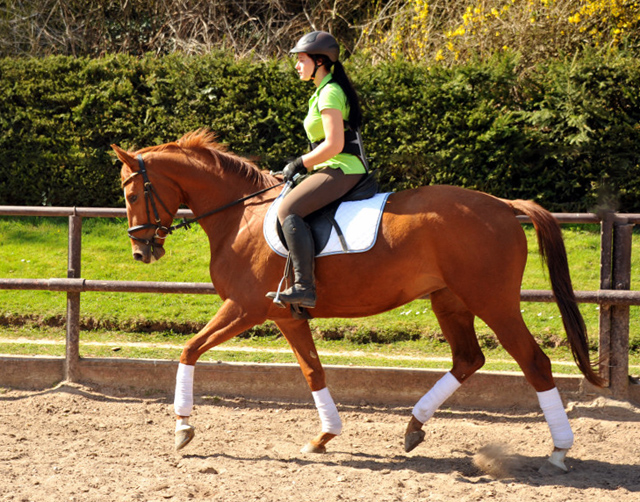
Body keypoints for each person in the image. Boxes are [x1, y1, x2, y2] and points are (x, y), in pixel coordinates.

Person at [266, 31, 367, 309]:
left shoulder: (330, 92)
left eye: (301, 60)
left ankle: (304, 288)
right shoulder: (322, 92)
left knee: (288, 209)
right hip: (330, 167)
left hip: (343, 167)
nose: (297, 66)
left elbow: (334, 144)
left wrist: (300, 163)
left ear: (319, 61)